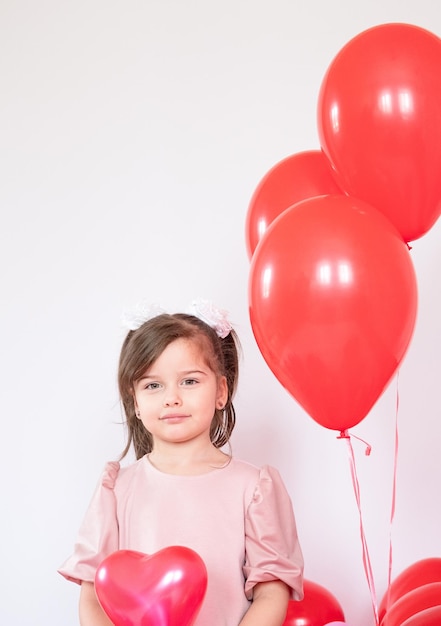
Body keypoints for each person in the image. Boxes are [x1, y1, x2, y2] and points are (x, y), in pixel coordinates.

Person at [59, 299, 304, 626]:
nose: (171, 397)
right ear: (135, 402)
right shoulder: (116, 489)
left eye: (189, 381)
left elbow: (272, 590)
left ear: (220, 391)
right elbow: (93, 593)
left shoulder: (253, 488)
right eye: (153, 385)